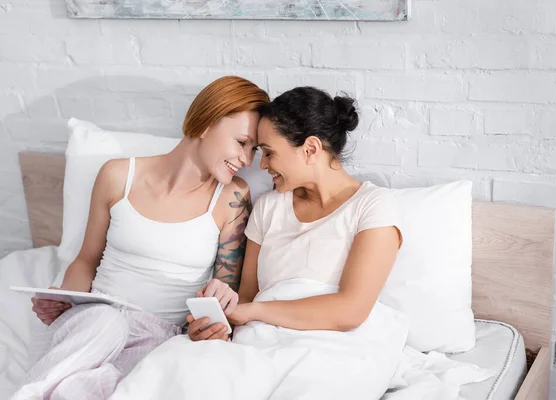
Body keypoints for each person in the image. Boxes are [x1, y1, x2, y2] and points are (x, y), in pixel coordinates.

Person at [111, 87, 407, 400]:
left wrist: (252, 312)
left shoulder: (373, 205)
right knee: (175, 367)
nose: (261, 165)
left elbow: (351, 310)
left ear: (310, 149)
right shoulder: (269, 207)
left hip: (335, 340)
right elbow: (246, 299)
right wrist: (218, 326)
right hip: (261, 340)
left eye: (268, 151)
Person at [11, 76, 270, 400]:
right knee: (108, 324)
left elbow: (222, 292)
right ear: (206, 122)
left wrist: (210, 322)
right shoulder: (117, 175)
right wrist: (64, 298)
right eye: (241, 143)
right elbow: (85, 260)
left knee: (92, 387)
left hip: (159, 335)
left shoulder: (232, 197)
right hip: (95, 318)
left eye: (254, 150)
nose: (247, 160)